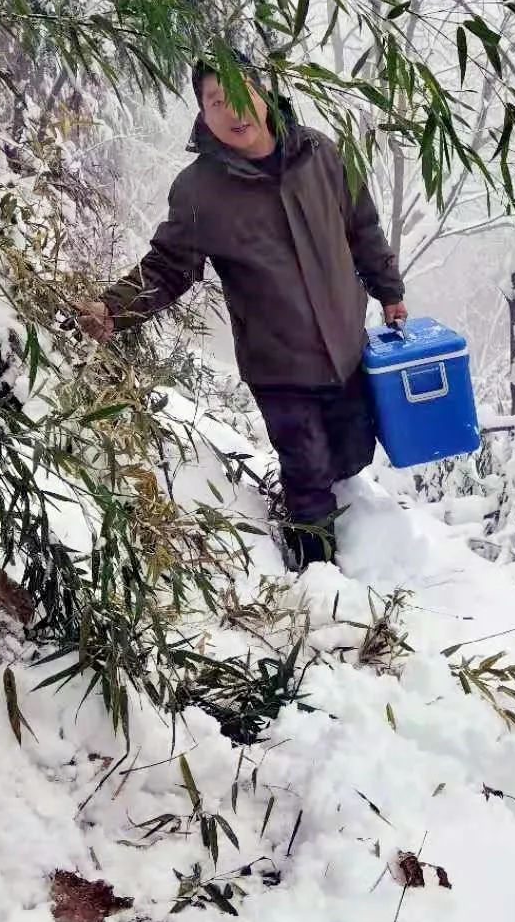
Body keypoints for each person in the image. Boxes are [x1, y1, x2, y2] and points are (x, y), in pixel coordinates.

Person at [75, 56, 407, 569]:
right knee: (308, 473)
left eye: (238, 91)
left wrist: (389, 290)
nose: (231, 109)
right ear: (202, 116)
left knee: (350, 455)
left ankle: (351, 537)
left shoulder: (319, 153)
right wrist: (112, 311)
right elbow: (168, 268)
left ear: (263, 92)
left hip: (345, 348)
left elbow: (362, 227)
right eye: (214, 101)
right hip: (278, 362)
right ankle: (317, 575)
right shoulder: (199, 190)